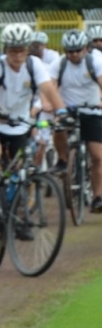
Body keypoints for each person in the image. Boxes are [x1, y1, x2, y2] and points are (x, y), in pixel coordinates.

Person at [0, 22, 62, 225]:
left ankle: (21, 213)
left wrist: (62, 111)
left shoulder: (34, 65)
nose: (17, 54)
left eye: (21, 49)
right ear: (6, 49)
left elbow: (48, 89)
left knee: (23, 169)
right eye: (13, 49)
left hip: (19, 125)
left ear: (28, 49)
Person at [50, 28, 102, 211]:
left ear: (85, 48)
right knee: (58, 127)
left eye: (78, 50)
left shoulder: (95, 62)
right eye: (70, 51)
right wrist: (54, 106)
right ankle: (63, 160)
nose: (74, 55)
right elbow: (51, 87)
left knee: (97, 156)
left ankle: (97, 196)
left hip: (92, 110)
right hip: (68, 109)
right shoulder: (59, 64)